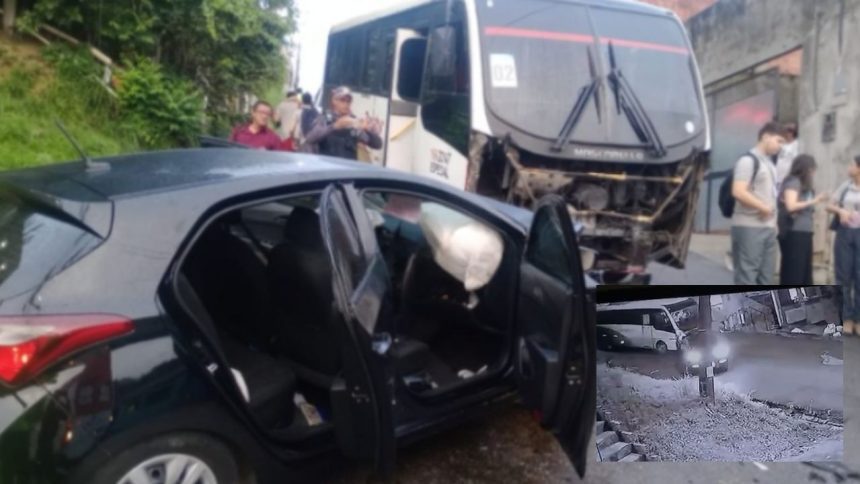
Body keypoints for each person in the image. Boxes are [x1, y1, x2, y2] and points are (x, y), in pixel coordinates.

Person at [730, 121, 785, 285]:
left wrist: (774, 222)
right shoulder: (747, 161)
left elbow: (770, 195)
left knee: (766, 277)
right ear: (765, 137)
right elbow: (738, 191)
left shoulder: (769, 164)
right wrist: (763, 208)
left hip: (768, 227)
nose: (780, 146)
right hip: (749, 226)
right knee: (747, 276)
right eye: (779, 141)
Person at [777, 154, 826, 285]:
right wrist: (814, 201)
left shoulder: (805, 186)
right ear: (806, 169)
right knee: (794, 271)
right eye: (812, 170)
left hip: (805, 232)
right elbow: (791, 205)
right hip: (794, 232)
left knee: (805, 272)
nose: (813, 173)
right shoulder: (793, 182)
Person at [826, 154, 860, 336]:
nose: (849, 167)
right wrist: (840, 211)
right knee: (844, 277)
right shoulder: (845, 187)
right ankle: (847, 318)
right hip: (845, 234)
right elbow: (829, 205)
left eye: (852, 164)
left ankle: (859, 319)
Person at [304, 86, 382, 160]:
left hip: (347, 170)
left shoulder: (353, 122)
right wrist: (334, 126)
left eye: (348, 101)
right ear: (334, 101)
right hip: (328, 167)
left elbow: (377, 144)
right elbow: (310, 138)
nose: (346, 104)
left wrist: (367, 131)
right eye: (342, 100)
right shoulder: (325, 119)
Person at [775, 122, 800, 187]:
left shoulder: (797, 144)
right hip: (778, 178)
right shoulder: (782, 144)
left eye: (789, 131)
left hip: (788, 179)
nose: (786, 133)